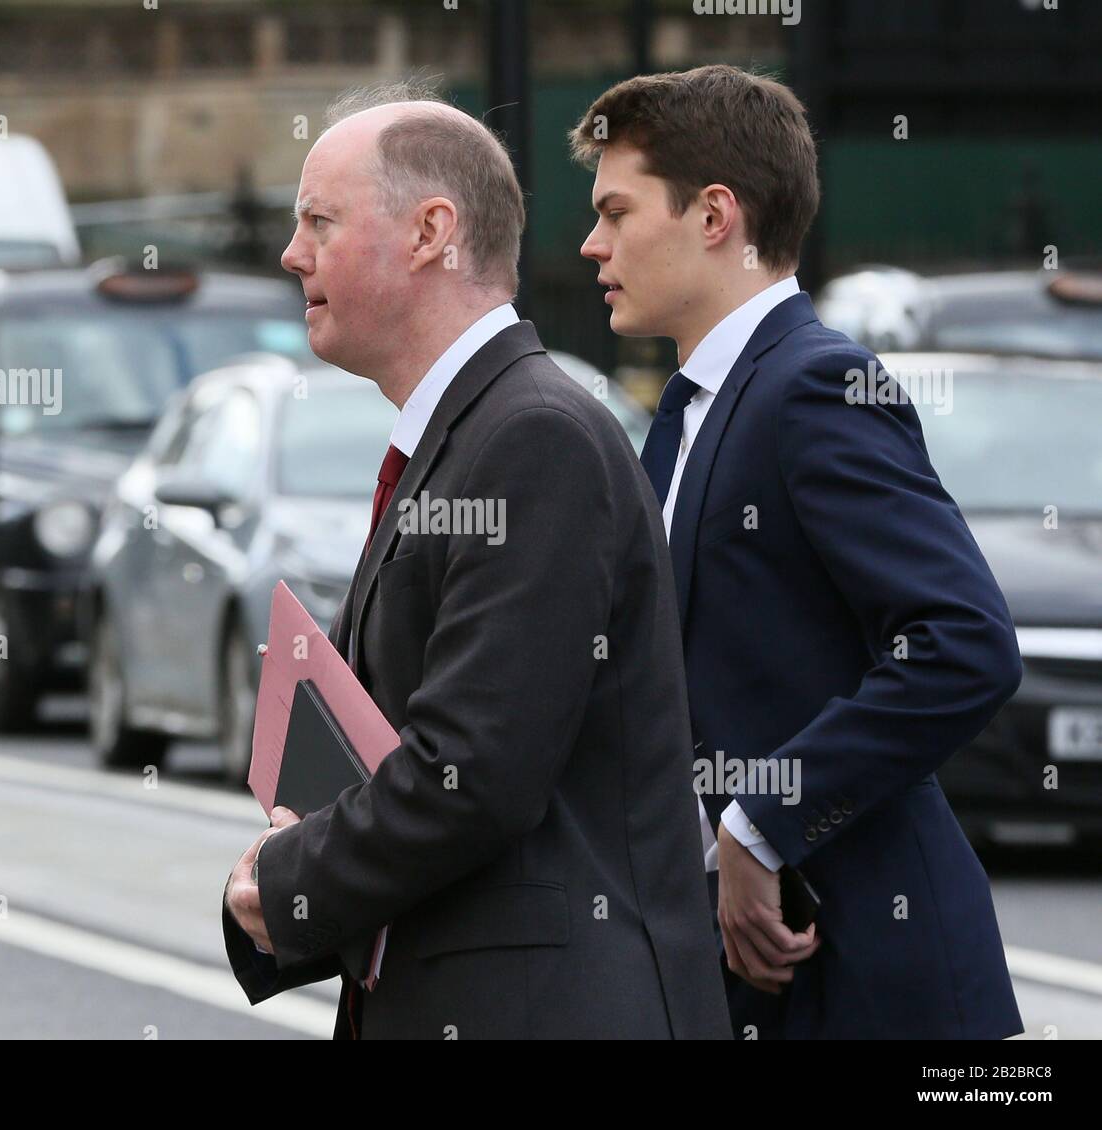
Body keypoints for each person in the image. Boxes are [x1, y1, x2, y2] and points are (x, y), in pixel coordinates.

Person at [220, 81, 731, 1040]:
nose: (293, 254)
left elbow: (474, 771)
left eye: (320, 221)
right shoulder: (482, 432)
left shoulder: (534, 437)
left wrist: (284, 882)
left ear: (429, 234)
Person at [570, 65, 1024, 1039]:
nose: (590, 244)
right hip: (748, 979)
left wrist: (763, 817)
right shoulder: (686, 414)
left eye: (616, 209)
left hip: (869, 982)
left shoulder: (816, 387)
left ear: (713, 215)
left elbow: (964, 644)